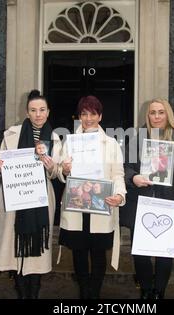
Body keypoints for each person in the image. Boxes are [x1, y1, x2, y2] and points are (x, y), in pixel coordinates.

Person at [0, 90, 61, 299]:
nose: (38, 114)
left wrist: (51, 166)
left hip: (40, 199)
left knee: (36, 253)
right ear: (27, 112)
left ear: (48, 112)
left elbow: (57, 172)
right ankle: (22, 294)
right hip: (14, 199)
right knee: (15, 250)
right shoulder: (12, 134)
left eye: (42, 110)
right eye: (33, 110)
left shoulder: (55, 139)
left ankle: (33, 294)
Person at [122, 98, 174, 299]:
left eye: (161, 112)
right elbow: (125, 166)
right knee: (141, 251)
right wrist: (133, 177)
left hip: (169, 203)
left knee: (165, 252)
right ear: (148, 115)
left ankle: (159, 291)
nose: (156, 116)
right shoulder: (137, 139)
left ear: (168, 115)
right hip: (141, 202)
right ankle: (146, 290)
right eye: (152, 112)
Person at [57, 95, 126, 299]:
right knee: (78, 252)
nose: (88, 118)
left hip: (100, 204)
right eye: (84, 114)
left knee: (98, 253)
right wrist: (65, 170)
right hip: (77, 204)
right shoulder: (69, 142)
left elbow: (118, 174)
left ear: (100, 116)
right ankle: (84, 293)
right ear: (79, 116)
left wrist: (120, 195)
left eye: (93, 114)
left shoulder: (111, 144)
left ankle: (93, 295)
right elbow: (60, 172)